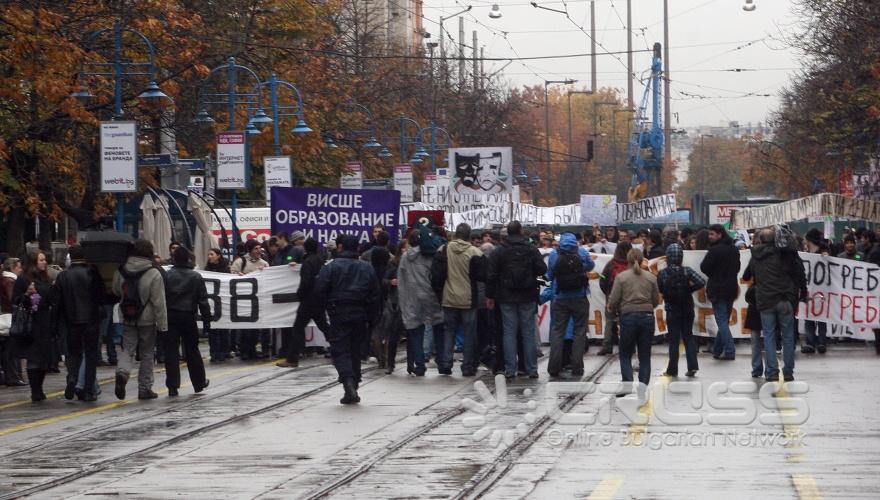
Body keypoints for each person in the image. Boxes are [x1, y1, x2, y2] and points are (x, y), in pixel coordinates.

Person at [315, 235, 381, 404]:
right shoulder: (367, 268)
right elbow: (375, 296)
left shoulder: (330, 268)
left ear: (340, 247)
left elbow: (319, 293)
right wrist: (373, 320)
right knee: (355, 351)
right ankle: (354, 382)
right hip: (361, 314)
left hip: (339, 313)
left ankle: (348, 382)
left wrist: (323, 322)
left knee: (341, 350)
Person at [487, 221, 547, 380]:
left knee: (509, 332)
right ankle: (532, 369)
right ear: (521, 231)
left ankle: (510, 369)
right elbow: (542, 269)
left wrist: (490, 296)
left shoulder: (500, 251)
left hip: (506, 296)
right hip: (527, 295)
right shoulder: (531, 249)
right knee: (528, 332)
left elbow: (491, 274)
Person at [112, 239, 168, 400]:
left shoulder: (121, 269)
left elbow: (116, 290)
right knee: (147, 353)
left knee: (127, 348)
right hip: (147, 318)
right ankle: (144, 388)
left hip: (127, 316)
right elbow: (159, 302)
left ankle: (122, 373)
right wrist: (163, 326)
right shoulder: (153, 272)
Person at [750, 227, 806, 381]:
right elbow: (798, 272)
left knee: (768, 336)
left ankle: (771, 372)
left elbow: (748, 274)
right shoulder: (785, 254)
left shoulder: (755, 255)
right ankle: (788, 371)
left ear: (761, 240)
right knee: (788, 336)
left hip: (766, 300)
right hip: (785, 298)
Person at [431, 223, 486, 376]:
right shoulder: (475, 252)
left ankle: (446, 363)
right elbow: (482, 275)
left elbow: (436, 275)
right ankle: (467, 366)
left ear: (455, 234)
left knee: (449, 331)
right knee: (469, 333)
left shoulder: (444, 249)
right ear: (469, 236)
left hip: (449, 298)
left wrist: (439, 293)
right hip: (468, 299)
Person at [53, 246, 107, 401]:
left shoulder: (63, 276)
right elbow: (101, 296)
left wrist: (55, 323)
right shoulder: (92, 274)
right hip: (91, 319)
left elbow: (57, 302)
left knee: (73, 353)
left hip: (71, 320)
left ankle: (72, 377)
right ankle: (88, 389)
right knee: (90, 356)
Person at [607, 249, 660, 393]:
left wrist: (614, 309)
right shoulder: (651, 277)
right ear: (642, 259)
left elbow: (614, 300)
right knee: (644, 354)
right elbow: (656, 300)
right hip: (647, 317)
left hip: (628, 317)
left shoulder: (621, 277)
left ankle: (627, 383)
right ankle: (642, 388)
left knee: (625, 353)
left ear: (628, 260)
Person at [546, 232, 595, 377]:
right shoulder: (582, 252)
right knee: (579, 332)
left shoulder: (554, 254)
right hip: (579, 297)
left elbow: (549, 275)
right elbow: (590, 266)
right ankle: (577, 367)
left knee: (557, 332)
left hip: (560, 298)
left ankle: (554, 367)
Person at [163, 246, 211, 396]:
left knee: (171, 351)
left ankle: (172, 386)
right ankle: (199, 382)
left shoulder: (167, 275)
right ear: (188, 259)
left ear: (174, 259)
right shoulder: (195, 277)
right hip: (188, 316)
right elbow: (203, 301)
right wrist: (207, 321)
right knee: (192, 350)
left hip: (170, 316)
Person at [13, 251, 58, 402]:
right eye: (41, 260)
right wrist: (26, 295)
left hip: (44, 321)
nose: (44, 263)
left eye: (45, 260)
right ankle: (35, 390)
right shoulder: (23, 279)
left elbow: (51, 299)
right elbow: (16, 300)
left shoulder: (45, 278)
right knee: (33, 358)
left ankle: (39, 387)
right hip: (30, 323)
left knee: (44, 358)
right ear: (34, 262)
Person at [398, 231, 445, 376]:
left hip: (413, 296)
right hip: (432, 296)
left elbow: (402, 280)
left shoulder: (406, 257)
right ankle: (442, 363)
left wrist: (403, 301)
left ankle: (419, 364)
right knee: (439, 328)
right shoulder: (433, 254)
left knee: (416, 331)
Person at [279, 238, 330, 368]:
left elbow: (306, 282)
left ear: (305, 248)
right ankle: (340, 351)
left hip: (308, 300)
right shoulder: (321, 261)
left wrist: (300, 294)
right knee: (324, 327)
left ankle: (292, 358)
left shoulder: (308, 262)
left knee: (298, 328)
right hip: (319, 299)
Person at [657, 244, 705, 378]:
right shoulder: (687, 271)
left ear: (668, 257)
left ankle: (672, 369)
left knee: (673, 340)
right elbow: (701, 282)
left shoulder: (663, 273)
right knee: (688, 337)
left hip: (672, 309)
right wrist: (689, 289)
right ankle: (693, 366)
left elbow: (660, 288)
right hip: (687, 308)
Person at [700, 224, 740, 360]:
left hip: (717, 289)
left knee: (722, 321)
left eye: (711, 234)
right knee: (724, 321)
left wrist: (715, 274)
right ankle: (717, 351)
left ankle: (730, 351)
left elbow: (704, 267)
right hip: (731, 289)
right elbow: (737, 268)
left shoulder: (714, 251)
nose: (709, 237)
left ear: (719, 234)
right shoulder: (734, 250)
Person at [232, 240, 269, 360]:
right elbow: (230, 277)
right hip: (243, 301)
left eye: (260, 248)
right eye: (256, 249)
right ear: (250, 250)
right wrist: (238, 276)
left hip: (258, 301)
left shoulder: (264, 263)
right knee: (245, 327)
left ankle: (251, 349)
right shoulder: (240, 262)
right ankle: (244, 350)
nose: (259, 251)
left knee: (254, 327)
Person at [597, 242, 632, 356]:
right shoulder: (632, 265)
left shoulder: (611, 264)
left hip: (611, 298)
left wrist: (608, 293)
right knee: (627, 324)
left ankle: (607, 346)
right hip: (628, 300)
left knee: (609, 322)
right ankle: (629, 347)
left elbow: (602, 280)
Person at [802, 228, 830, 354]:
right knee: (808, 317)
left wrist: (827, 257)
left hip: (822, 290)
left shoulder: (825, 252)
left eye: (805, 239)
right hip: (809, 290)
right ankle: (811, 342)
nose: (803, 241)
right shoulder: (805, 253)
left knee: (821, 317)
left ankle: (822, 342)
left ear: (809, 240)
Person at [204, 248, 231, 362]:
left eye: (212, 254)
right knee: (213, 329)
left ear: (218, 256)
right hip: (212, 303)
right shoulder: (206, 269)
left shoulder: (226, 268)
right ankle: (214, 352)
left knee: (223, 327)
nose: (209, 256)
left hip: (223, 302)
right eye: (209, 254)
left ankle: (225, 351)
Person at [1, 257, 26, 386]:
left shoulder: (5, 279)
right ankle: (13, 376)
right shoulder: (10, 281)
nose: (21, 270)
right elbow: (13, 300)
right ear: (12, 268)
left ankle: (12, 376)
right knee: (11, 348)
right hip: (9, 318)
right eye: (19, 267)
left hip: (6, 316)